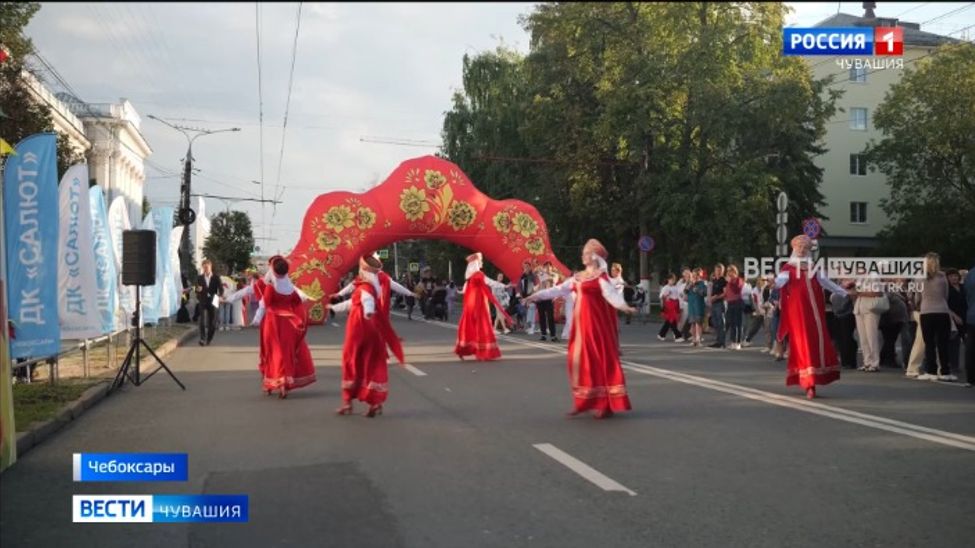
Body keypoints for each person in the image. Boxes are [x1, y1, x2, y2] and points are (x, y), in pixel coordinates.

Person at [525, 239, 636, 419]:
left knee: (598, 361)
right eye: (583, 253)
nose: (583, 256)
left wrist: (625, 307)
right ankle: (583, 401)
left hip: (596, 327)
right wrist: (534, 296)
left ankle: (604, 404)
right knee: (579, 362)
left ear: (594, 256)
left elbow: (611, 296)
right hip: (581, 327)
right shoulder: (577, 277)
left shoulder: (601, 278)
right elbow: (557, 290)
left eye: (586, 253)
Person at [775, 235, 849, 399]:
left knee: (816, 343)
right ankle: (808, 382)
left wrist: (844, 292)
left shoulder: (813, 267)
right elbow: (780, 282)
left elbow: (826, 282)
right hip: (798, 313)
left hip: (815, 313)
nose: (801, 250)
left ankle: (814, 379)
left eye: (804, 248)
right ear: (794, 249)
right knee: (803, 345)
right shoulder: (788, 268)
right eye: (799, 247)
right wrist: (774, 281)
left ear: (808, 250)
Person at [330, 255, 399, 417]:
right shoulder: (372, 285)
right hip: (374, 328)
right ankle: (375, 402)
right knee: (371, 363)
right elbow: (352, 302)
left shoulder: (365, 287)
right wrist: (334, 306)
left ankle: (347, 403)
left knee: (351, 362)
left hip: (358, 328)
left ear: (363, 270)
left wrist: (367, 312)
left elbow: (366, 300)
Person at [250, 256, 317, 398]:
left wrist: (256, 320)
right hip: (289, 324)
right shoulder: (290, 288)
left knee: (271, 353)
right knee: (286, 353)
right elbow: (298, 302)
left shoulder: (270, 287)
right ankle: (285, 383)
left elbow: (263, 304)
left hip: (273, 323)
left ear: (273, 271)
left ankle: (272, 383)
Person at [333, 256, 413, 365]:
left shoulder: (383, 277)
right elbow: (351, 286)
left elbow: (396, 286)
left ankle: (381, 355)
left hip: (379, 309)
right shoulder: (363, 277)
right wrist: (339, 294)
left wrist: (409, 293)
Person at [454, 253, 511, 360]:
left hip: (470, 307)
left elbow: (464, 291)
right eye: (480, 260)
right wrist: (506, 286)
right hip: (479, 306)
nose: (482, 262)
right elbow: (491, 283)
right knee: (482, 327)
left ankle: (463, 349)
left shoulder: (469, 279)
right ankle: (483, 351)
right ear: (476, 263)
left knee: (469, 327)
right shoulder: (479, 275)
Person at [915, 253, 953, 381]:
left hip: (926, 311)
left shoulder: (920, 277)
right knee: (943, 343)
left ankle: (931, 370)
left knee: (929, 343)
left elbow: (917, 297)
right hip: (942, 311)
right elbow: (946, 295)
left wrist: (918, 303)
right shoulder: (943, 277)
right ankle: (945, 371)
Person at [195, 260, 223, 346]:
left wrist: (219, 296)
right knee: (202, 320)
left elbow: (221, 289)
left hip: (213, 300)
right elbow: (196, 288)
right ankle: (202, 339)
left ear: (210, 267)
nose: (206, 269)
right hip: (203, 300)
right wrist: (198, 290)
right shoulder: (200, 277)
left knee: (212, 322)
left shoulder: (216, 277)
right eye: (204, 267)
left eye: (207, 267)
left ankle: (209, 339)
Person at [946, 268, 967, 379]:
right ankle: (953, 365)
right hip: (952, 318)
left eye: (955, 276)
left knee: (967, 342)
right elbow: (945, 304)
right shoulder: (947, 289)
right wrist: (954, 316)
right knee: (953, 342)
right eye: (951, 276)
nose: (954, 278)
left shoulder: (963, 288)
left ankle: (968, 364)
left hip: (965, 316)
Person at [685, 268, 708, 347]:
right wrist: (689, 285)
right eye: (694, 275)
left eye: (697, 275)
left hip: (698, 306)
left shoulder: (702, 284)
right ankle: (694, 339)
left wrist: (697, 290)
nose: (695, 277)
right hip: (691, 307)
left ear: (700, 276)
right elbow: (685, 291)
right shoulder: (690, 284)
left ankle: (698, 340)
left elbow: (704, 293)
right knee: (693, 324)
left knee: (698, 324)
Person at [536, 262, 558, 341]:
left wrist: (544, 273)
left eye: (549, 266)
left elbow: (552, 280)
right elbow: (539, 283)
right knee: (541, 317)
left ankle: (553, 335)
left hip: (549, 298)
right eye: (545, 266)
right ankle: (543, 334)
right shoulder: (541, 274)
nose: (547, 267)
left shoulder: (554, 275)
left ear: (552, 267)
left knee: (550, 317)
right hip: (541, 297)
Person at [724, 265, 745, 350]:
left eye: (731, 271)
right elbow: (727, 292)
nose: (729, 273)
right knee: (732, 323)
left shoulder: (738, 280)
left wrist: (730, 282)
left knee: (737, 323)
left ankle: (738, 342)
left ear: (735, 272)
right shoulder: (729, 281)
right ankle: (733, 342)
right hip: (730, 303)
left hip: (737, 303)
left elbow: (736, 290)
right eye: (728, 271)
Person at [657, 273, 682, 341]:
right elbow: (661, 296)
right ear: (668, 280)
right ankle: (678, 336)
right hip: (668, 306)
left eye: (673, 280)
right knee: (672, 320)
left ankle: (661, 334)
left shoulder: (675, 287)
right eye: (671, 280)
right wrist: (666, 295)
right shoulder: (665, 287)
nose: (672, 281)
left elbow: (678, 296)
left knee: (669, 321)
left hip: (675, 305)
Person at [708, 264, 728, 348]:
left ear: (723, 271)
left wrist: (716, 297)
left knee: (721, 323)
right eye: (717, 270)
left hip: (720, 303)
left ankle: (721, 342)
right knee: (715, 322)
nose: (718, 272)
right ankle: (718, 340)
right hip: (713, 303)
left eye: (720, 270)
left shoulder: (723, 280)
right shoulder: (714, 280)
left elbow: (725, 293)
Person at [518, 260, 538, 335]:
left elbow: (535, 287)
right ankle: (529, 327)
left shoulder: (533, 276)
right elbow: (519, 287)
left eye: (527, 267)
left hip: (531, 297)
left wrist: (531, 298)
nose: (525, 268)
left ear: (530, 268)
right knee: (525, 312)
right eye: (524, 267)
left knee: (531, 310)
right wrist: (520, 296)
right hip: (524, 297)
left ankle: (531, 328)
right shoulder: (522, 277)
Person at [963, 263, 975, 387]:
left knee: (971, 348)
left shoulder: (970, 274)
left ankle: (970, 378)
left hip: (971, 315)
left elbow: (966, 294)